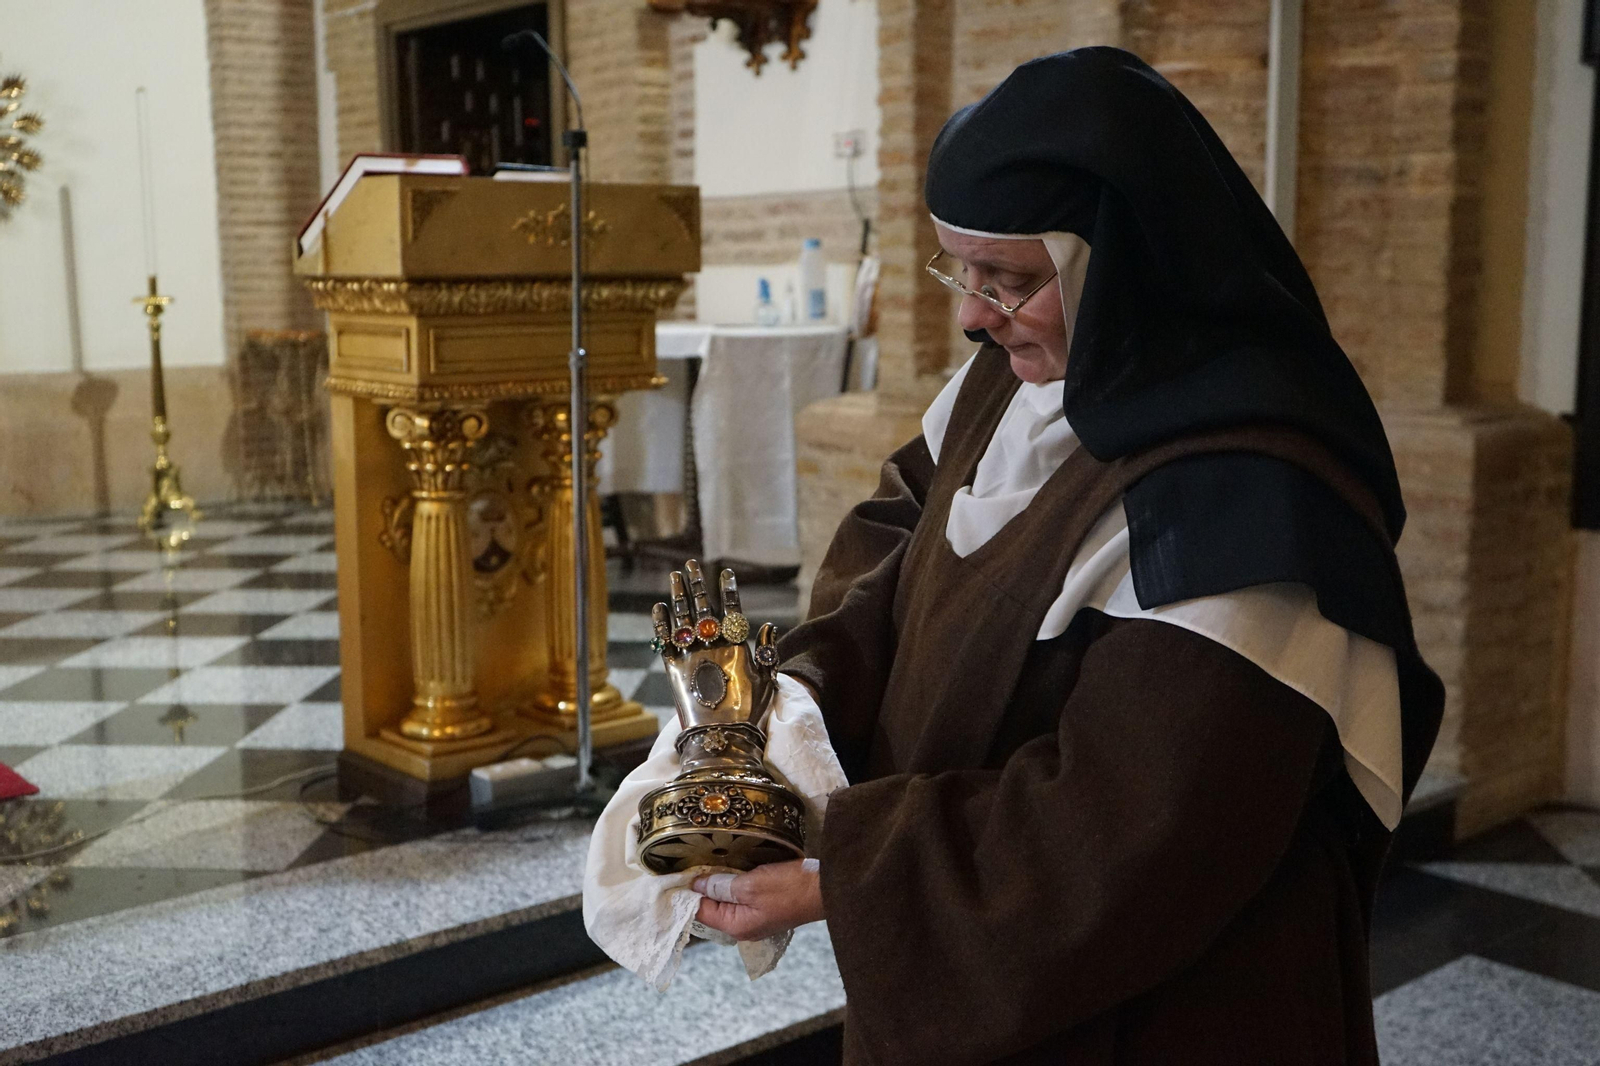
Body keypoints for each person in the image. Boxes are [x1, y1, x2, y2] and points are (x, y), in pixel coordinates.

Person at [686, 47, 1443, 1065]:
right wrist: (790, 710)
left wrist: (848, 875)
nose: (969, 315)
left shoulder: (1246, 498)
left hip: (1169, 1007)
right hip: (1001, 963)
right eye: (960, 270)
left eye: (1008, 280)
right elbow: (897, 546)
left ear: (1119, 260)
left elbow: (1138, 832)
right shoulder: (1014, 379)